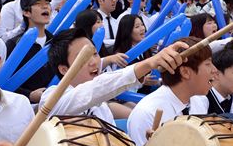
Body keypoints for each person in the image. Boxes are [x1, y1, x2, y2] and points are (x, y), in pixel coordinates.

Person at [41, 27, 184, 124]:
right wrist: (147, 64)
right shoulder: (51, 98)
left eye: (95, 54)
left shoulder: (101, 108)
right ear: (64, 69)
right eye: (83, 57)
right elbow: (94, 90)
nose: (94, 62)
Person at [5, 0, 54, 103]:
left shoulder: (57, 42)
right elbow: (4, 83)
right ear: (26, 12)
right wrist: (30, 95)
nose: (45, 7)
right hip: (24, 107)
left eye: (47, 4)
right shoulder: (14, 44)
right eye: (38, 4)